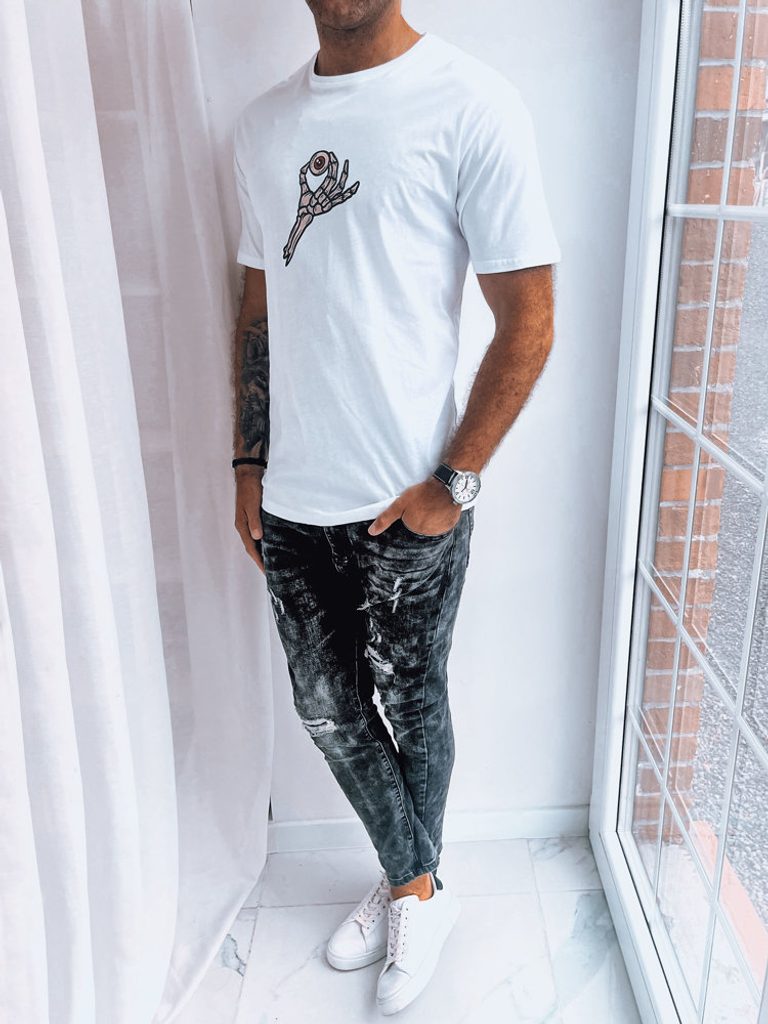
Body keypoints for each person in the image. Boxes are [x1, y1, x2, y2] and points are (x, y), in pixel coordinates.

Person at [231, 0, 560, 1014]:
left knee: (411, 700)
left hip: (408, 499)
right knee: (327, 709)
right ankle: (417, 881)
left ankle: (411, 887)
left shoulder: (471, 104)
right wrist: (247, 463)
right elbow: (258, 307)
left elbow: (530, 319)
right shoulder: (261, 126)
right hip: (292, 496)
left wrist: (453, 483)